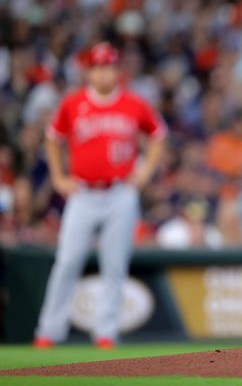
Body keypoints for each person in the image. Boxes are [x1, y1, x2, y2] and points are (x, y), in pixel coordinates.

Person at [33, 42, 167, 349]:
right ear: (89, 71)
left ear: (117, 70)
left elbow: (158, 135)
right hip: (82, 192)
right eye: (97, 67)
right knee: (67, 261)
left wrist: (144, 173)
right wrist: (57, 177)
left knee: (115, 264)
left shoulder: (134, 103)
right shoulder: (73, 103)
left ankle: (106, 332)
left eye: (108, 66)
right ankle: (48, 331)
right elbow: (53, 139)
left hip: (120, 192)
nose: (103, 73)